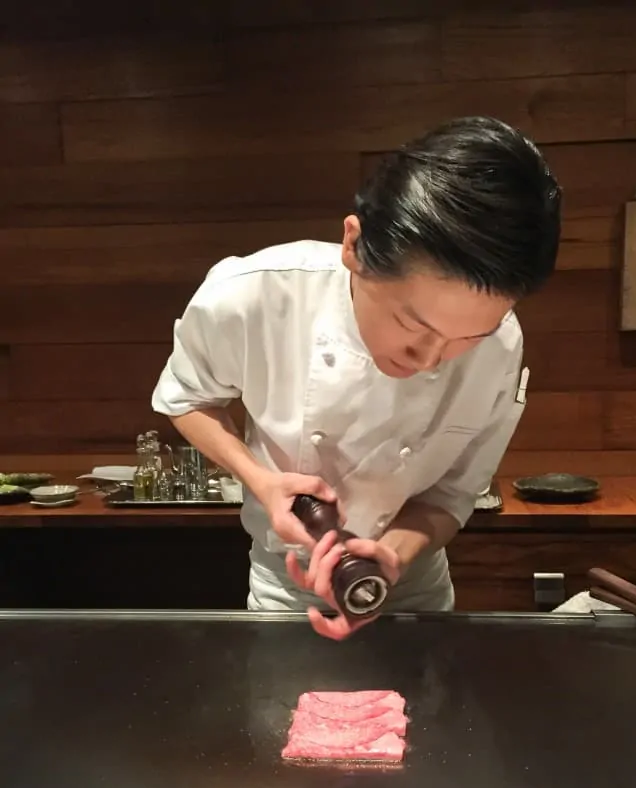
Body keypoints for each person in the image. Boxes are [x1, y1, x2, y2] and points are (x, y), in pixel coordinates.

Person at [152, 115, 561, 640]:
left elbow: (451, 497)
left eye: (468, 339)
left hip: (415, 589)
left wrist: (390, 556)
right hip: (284, 590)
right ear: (354, 246)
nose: (432, 359)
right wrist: (260, 480)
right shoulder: (253, 294)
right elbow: (186, 397)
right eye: (413, 326)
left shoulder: (503, 344)